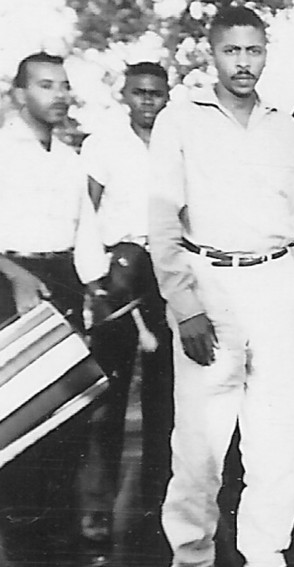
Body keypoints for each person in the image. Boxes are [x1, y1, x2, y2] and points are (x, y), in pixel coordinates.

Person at [148, 7, 294, 567]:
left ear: (266, 53)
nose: (243, 63)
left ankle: (265, 553)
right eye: (232, 51)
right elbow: (162, 221)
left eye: (253, 51)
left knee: (278, 443)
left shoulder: (283, 126)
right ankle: (192, 556)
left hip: (276, 283)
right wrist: (185, 305)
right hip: (210, 285)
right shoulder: (180, 120)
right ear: (213, 54)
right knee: (199, 444)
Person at [0, 51, 109, 561]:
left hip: (63, 281)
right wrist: (15, 275)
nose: (59, 95)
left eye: (64, 85)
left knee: (67, 418)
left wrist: (92, 295)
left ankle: (58, 544)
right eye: (46, 85)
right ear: (20, 94)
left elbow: (85, 237)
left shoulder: (69, 157)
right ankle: (20, 547)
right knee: (19, 418)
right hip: (10, 282)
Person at [77, 61, 174, 549]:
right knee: (107, 401)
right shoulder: (103, 144)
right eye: (139, 92)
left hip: (166, 269)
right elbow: (86, 213)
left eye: (156, 92)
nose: (148, 101)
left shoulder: (178, 142)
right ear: (125, 95)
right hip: (117, 269)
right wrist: (94, 282)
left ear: (167, 95)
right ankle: (95, 511)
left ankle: (154, 509)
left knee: (164, 397)